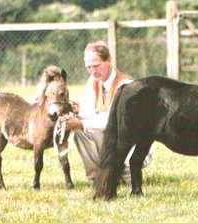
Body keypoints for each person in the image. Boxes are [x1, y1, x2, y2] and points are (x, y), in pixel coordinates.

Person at [64, 40, 152, 182]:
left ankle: (122, 174)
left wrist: (80, 123)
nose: (93, 71)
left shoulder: (126, 85)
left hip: (132, 143)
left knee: (82, 127)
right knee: (79, 133)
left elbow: (113, 120)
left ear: (109, 60)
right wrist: (76, 110)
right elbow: (88, 113)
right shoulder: (93, 81)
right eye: (88, 67)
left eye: (96, 66)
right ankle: (97, 176)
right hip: (111, 138)